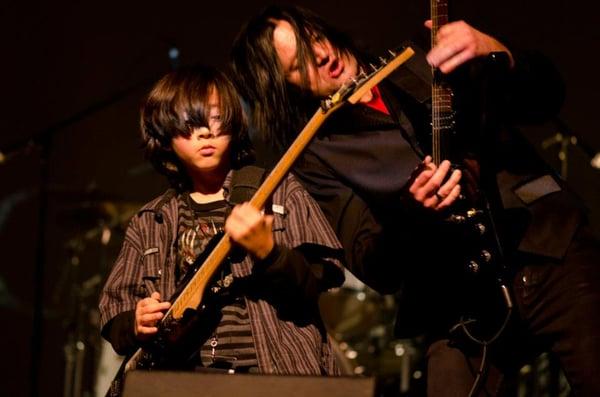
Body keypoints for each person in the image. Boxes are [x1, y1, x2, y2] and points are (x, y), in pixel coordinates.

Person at [230, 5, 600, 396]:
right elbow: (375, 265)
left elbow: (545, 99)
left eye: (313, 39)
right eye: (299, 64)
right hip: (456, 302)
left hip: (548, 249)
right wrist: (413, 211)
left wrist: (497, 53)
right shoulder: (314, 156)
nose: (320, 55)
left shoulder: (427, 59)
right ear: (286, 88)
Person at [98, 64, 345, 381]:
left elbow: (317, 280)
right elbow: (112, 312)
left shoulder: (279, 190)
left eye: (215, 118)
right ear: (164, 136)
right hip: (181, 382)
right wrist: (135, 322)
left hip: (274, 375)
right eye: (188, 124)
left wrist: (270, 253)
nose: (204, 132)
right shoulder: (151, 221)